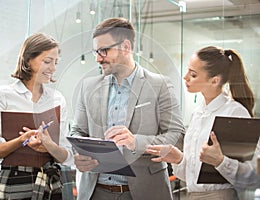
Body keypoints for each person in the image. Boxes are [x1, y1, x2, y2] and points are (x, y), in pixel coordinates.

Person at [70, 17, 185, 200]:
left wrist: (135, 142)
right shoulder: (88, 87)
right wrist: (79, 153)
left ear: (125, 47)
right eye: (96, 52)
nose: (98, 58)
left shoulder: (160, 85)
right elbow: (77, 131)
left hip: (144, 192)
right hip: (93, 191)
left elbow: (177, 136)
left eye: (103, 51)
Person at [146, 46, 255, 200]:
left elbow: (252, 176)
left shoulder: (235, 113)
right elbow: (192, 176)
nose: (185, 77)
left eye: (193, 74)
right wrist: (179, 159)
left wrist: (220, 161)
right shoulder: (198, 113)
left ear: (214, 80)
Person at [0, 33, 74, 200]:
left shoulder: (57, 99)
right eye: (47, 61)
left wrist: (49, 145)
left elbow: (67, 156)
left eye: (55, 62)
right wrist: (20, 141)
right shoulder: (2, 96)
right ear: (28, 60)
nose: (52, 68)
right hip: (14, 179)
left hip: (50, 180)